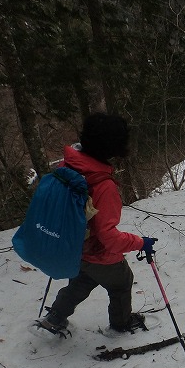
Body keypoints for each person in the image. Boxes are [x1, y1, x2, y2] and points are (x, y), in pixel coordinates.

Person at [37, 112, 157, 336]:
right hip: (98, 253)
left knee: (81, 282)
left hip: (73, 248)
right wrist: (141, 243)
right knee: (121, 282)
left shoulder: (68, 166)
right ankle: (121, 323)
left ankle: (55, 318)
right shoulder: (103, 185)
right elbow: (108, 237)